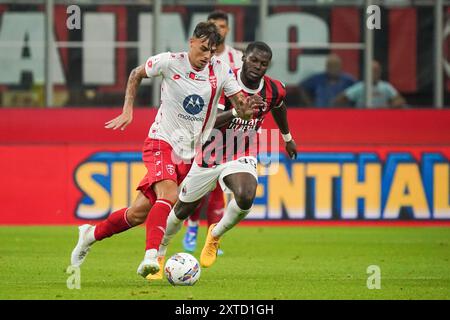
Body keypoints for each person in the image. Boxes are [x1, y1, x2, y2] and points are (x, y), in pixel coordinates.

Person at [70, 22, 262, 280]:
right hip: (162, 141)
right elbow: (136, 73)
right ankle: (152, 257)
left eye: (212, 51)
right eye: (203, 48)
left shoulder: (222, 70)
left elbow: (240, 105)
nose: (207, 56)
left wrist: (248, 108)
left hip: (192, 151)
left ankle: (89, 235)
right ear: (192, 42)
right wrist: (128, 108)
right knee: (168, 194)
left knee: (138, 213)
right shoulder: (169, 62)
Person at [158, 41, 298, 269]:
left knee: (246, 195)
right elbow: (206, 122)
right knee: (181, 211)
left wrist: (287, 138)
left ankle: (215, 235)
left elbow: (279, 106)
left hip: (242, 153)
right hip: (209, 155)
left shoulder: (274, 89)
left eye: (263, 64)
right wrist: (239, 111)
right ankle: (160, 251)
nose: (257, 66)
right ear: (243, 58)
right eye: (253, 60)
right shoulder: (221, 83)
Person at [182, 10, 244, 255]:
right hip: (197, 124)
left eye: (223, 26)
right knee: (196, 179)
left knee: (217, 183)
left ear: (227, 30)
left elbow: (241, 90)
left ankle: (211, 235)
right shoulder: (193, 58)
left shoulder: (237, 57)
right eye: (214, 25)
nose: (219, 30)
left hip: (225, 125)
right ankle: (192, 226)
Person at [333, 60, 406, 108]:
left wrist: (387, 107)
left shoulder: (386, 86)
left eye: (377, 70)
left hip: (383, 117)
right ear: (367, 72)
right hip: (363, 117)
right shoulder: (360, 87)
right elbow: (339, 100)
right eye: (373, 71)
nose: (375, 73)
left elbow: (399, 100)